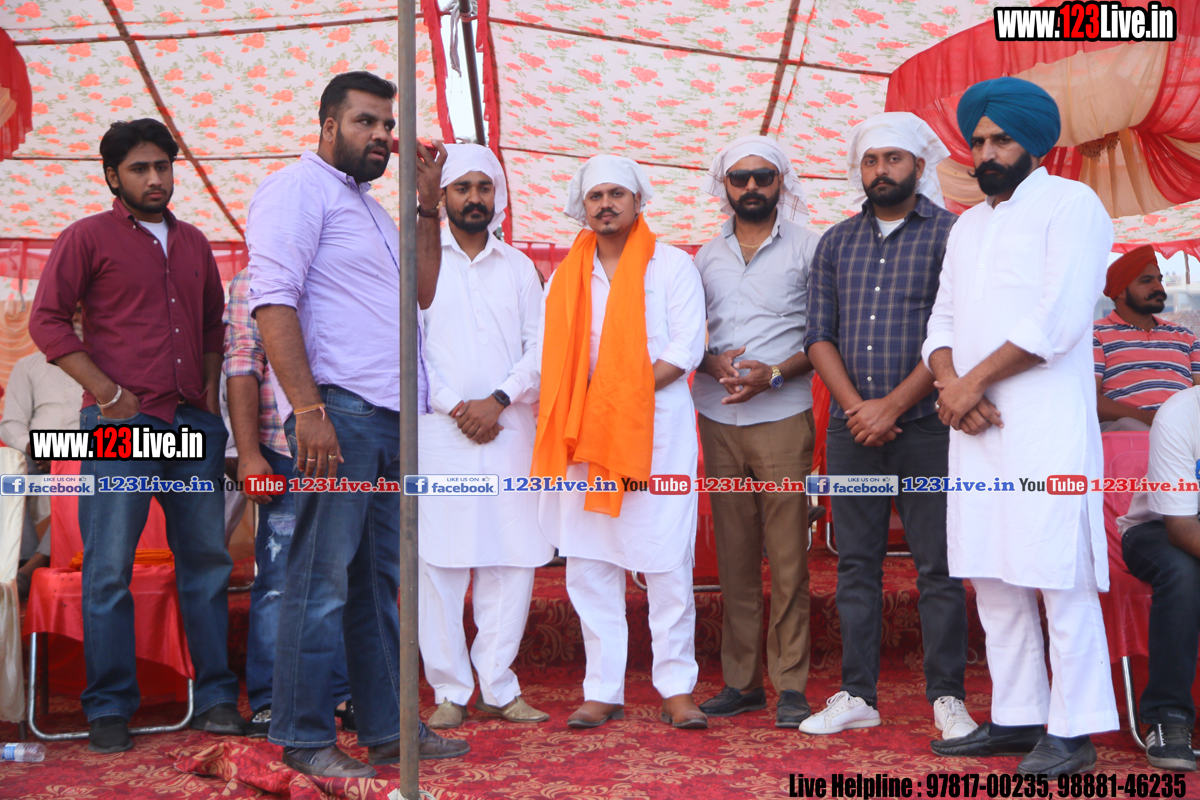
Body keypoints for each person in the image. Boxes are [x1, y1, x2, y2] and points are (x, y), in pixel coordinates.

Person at [249, 72, 468, 778]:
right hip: (338, 414)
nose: (381, 135)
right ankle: (304, 738)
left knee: (376, 584)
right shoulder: (296, 190)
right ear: (327, 125)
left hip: (389, 417)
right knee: (318, 582)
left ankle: (388, 730)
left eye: (387, 125)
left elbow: (423, 291)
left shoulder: (370, 207)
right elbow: (273, 302)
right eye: (365, 121)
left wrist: (427, 207)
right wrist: (307, 410)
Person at [923, 77, 1119, 776]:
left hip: (1043, 425)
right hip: (973, 426)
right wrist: (952, 383)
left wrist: (970, 383)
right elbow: (941, 320)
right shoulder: (967, 225)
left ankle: (1075, 728)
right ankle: (1017, 714)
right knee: (990, 571)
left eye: (1000, 139)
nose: (986, 152)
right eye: (977, 140)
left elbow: (1058, 320)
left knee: (1056, 571)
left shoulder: (1072, 205)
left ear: (1034, 143)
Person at [28, 118, 243, 753]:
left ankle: (214, 697)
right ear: (112, 177)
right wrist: (108, 395)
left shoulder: (195, 242)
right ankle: (109, 706)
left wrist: (208, 400)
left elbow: (212, 326)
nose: (155, 178)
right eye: (140, 168)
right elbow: (47, 322)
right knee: (109, 567)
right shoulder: (86, 237)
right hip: (120, 427)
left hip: (191, 426)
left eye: (163, 166)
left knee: (206, 563)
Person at [800, 112, 975, 741]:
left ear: (918, 166)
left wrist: (892, 407)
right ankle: (857, 694)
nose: (881, 170)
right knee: (855, 564)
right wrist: (857, 409)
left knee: (938, 566)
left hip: (928, 428)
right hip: (852, 433)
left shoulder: (952, 235)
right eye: (871, 160)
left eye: (893, 159)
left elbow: (953, 332)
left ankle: (948, 698)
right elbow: (818, 335)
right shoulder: (835, 242)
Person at [533, 154, 707, 730]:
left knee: (666, 561)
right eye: (595, 196)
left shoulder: (673, 265)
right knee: (589, 564)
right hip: (583, 434)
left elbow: (686, 349)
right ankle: (603, 689)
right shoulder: (566, 276)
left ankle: (677, 688)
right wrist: (589, 404)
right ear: (582, 207)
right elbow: (551, 354)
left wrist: (615, 395)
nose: (605, 204)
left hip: (656, 433)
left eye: (616, 194)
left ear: (638, 201)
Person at [418, 143, 552, 729]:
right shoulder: (420, 261)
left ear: (497, 195)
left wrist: (497, 400)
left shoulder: (519, 267)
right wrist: (456, 406)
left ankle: (499, 685)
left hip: (509, 428)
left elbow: (540, 349)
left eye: (484, 187)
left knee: (511, 557)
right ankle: (450, 690)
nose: (474, 198)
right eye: (462, 187)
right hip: (439, 433)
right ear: (443, 195)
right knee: (439, 563)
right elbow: (410, 347)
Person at [691, 136, 821, 728]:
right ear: (724, 185)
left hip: (782, 415)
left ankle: (790, 684)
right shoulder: (704, 255)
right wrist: (710, 361)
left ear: (780, 182)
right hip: (718, 416)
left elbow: (824, 334)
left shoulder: (811, 247)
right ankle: (741, 682)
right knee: (735, 557)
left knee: (789, 557)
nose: (750, 187)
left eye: (762, 177)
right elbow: (687, 332)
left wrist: (773, 374)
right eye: (739, 177)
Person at [223, 269, 354, 738]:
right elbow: (242, 365)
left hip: (352, 446)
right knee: (279, 579)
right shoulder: (253, 278)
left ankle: (342, 693)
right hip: (282, 449)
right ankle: (272, 699)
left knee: (345, 573)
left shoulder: (348, 266)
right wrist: (249, 455)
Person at [1119, 385, 1200, 772]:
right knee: (1183, 573)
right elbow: (1182, 529)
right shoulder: (1182, 415)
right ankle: (1169, 716)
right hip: (1158, 529)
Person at [2, 338, 83, 601]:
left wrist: (67, 453)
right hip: (36, 450)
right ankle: (20, 562)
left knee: (86, 477)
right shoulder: (28, 365)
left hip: (85, 451)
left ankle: (36, 564)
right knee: (6, 472)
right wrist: (37, 448)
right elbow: (12, 423)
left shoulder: (106, 361)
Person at [1094, 245, 1200, 432]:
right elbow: (1088, 398)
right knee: (1129, 426)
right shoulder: (1097, 334)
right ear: (1121, 291)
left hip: (1185, 430)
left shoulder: (1185, 336)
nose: (1159, 287)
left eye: (1159, 280)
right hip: (1129, 431)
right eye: (1146, 281)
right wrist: (1151, 419)